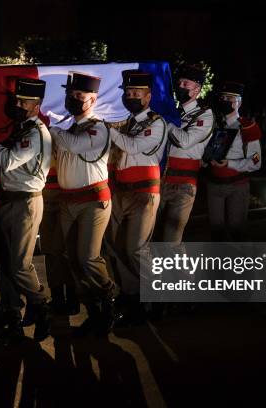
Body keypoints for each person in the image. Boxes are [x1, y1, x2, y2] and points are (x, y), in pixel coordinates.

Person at [49, 72, 117, 337]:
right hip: (69, 201)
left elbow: (74, 145)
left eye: (79, 96)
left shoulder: (98, 128)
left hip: (93, 201)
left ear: (93, 99)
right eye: (71, 95)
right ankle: (94, 311)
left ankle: (108, 299)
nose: (73, 99)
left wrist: (49, 127)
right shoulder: (69, 128)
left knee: (88, 257)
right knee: (72, 260)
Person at [0, 78, 52, 344]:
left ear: (36, 105)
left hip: (26, 202)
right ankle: (12, 317)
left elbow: (7, 161)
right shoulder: (19, 129)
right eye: (16, 100)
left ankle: (41, 305)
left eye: (23, 102)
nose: (17, 105)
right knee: (4, 265)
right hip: (7, 201)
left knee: (19, 264)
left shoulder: (34, 133)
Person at [105, 69, 167, 326]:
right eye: (128, 93)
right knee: (118, 248)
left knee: (136, 249)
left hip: (144, 193)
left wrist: (108, 129)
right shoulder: (127, 122)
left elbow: (131, 146)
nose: (130, 97)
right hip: (121, 192)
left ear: (148, 96)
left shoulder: (156, 122)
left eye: (135, 93)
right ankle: (132, 296)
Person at [159, 64, 214, 244]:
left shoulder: (204, 115)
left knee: (171, 240)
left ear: (197, 89)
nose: (180, 86)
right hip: (162, 179)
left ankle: (177, 273)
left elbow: (184, 141)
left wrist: (166, 124)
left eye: (186, 83)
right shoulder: (174, 112)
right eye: (179, 82)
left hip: (184, 184)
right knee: (154, 236)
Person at [207, 81, 262, 241]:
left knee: (237, 231)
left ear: (240, 102)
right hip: (214, 184)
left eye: (231, 98)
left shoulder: (247, 127)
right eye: (223, 97)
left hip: (237, 185)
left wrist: (230, 164)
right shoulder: (213, 125)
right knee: (216, 233)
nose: (226, 101)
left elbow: (256, 161)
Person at [39, 156, 80, 316]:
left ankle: (71, 297)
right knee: (50, 250)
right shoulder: (42, 132)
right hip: (45, 194)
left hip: (66, 194)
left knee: (65, 250)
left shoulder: (63, 132)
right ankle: (58, 298)